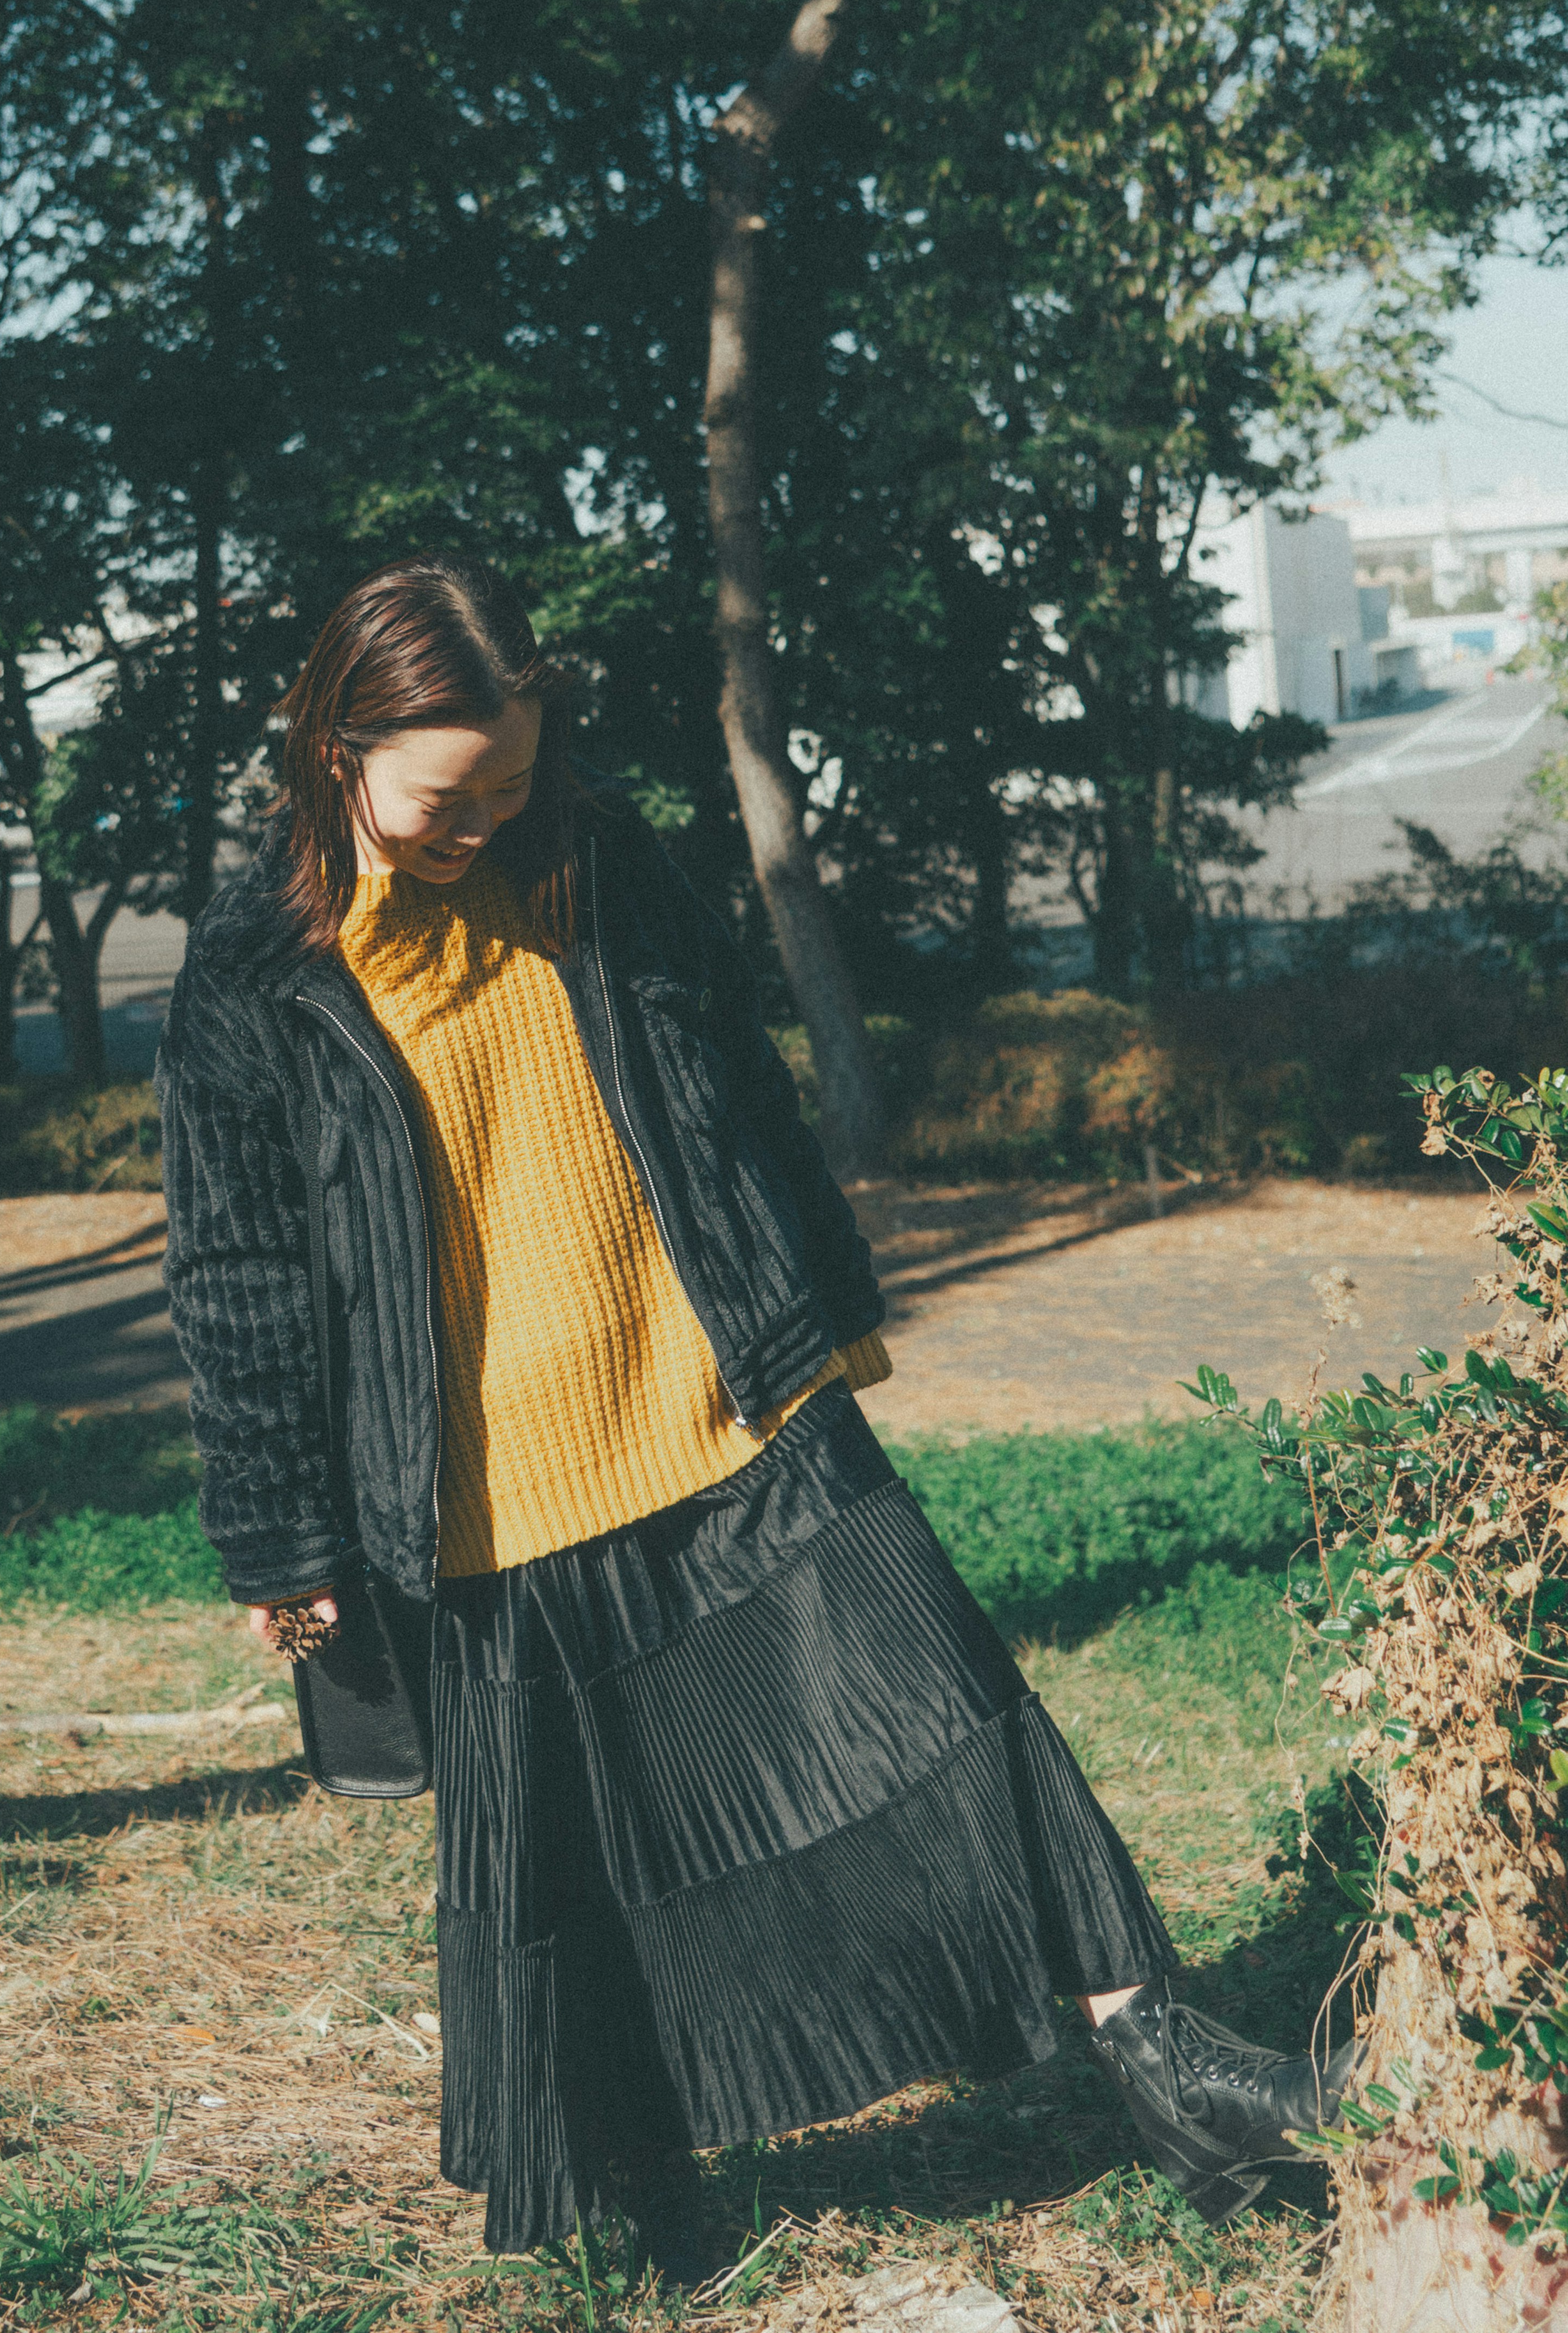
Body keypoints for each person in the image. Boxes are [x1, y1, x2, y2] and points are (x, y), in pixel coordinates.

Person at [157, 553, 1353, 2272]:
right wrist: (281, 1531)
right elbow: (243, 1274)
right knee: (584, 1866)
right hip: (482, 1486)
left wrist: (823, 1310)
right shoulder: (251, 977)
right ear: (334, 748)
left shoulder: (597, 853)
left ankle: (1164, 2059)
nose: (481, 820)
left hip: (720, 1404)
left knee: (954, 1714)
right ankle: (628, 2190)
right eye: (444, 793)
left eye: (512, 779)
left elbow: (729, 1070)